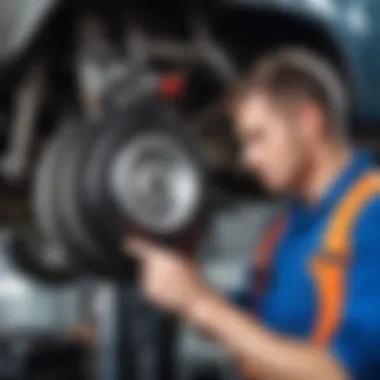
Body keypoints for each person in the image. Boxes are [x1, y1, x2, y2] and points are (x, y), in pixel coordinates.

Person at [124, 49, 380, 380]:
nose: (247, 159)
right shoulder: (284, 227)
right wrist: (185, 286)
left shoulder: (372, 215)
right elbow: (248, 329)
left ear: (308, 122)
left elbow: (340, 372)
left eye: (257, 138)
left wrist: (201, 304)